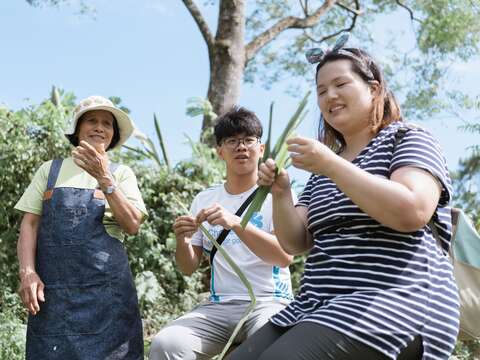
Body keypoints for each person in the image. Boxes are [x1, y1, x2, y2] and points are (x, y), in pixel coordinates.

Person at [227, 36, 459, 360]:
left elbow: (412, 209)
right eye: (321, 91)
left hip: (397, 299)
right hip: (317, 304)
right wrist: (282, 193)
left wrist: (330, 164)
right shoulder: (322, 166)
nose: (329, 96)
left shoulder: (408, 137)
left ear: (374, 89)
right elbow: (295, 242)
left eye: (340, 84)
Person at [149, 107, 295, 360]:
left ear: (261, 149)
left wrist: (236, 223)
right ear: (219, 151)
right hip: (219, 306)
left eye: (249, 140)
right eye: (232, 141)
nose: (241, 147)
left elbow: (284, 257)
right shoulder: (205, 199)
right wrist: (183, 240)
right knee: (167, 344)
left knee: (270, 342)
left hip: (269, 302)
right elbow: (187, 267)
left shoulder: (276, 196)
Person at [16, 95, 148, 359]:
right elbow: (29, 225)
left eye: (107, 123)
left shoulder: (122, 174)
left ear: (113, 134)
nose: (100, 127)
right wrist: (28, 273)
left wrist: (104, 178)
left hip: (108, 297)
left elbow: (132, 225)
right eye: (92, 120)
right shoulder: (50, 171)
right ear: (77, 130)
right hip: (54, 295)